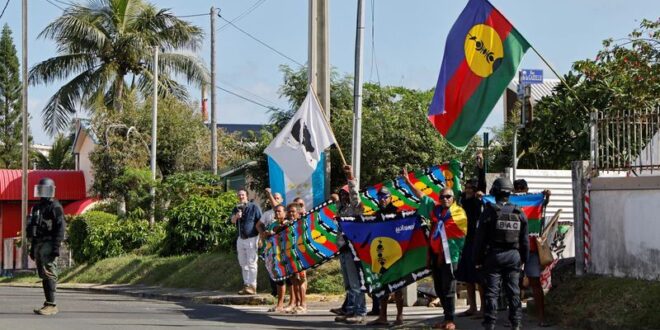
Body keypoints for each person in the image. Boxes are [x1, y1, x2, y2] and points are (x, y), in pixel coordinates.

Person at [402, 168, 462, 330]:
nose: (444, 199)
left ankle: (451, 320)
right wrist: (408, 183)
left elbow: (461, 235)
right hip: (435, 255)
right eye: (442, 196)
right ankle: (445, 317)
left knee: (449, 288)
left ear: (453, 198)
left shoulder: (458, 213)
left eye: (448, 196)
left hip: (451, 256)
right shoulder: (435, 210)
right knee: (439, 288)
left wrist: (455, 175)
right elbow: (421, 196)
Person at [474, 177, 529, 330]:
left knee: (491, 293)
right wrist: (524, 260)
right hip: (514, 257)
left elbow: (480, 239)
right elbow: (525, 241)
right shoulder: (519, 212)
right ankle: (516, 323)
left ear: (495, 193)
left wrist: (477, 260)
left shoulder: (489, 212)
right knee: (514, 292)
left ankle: (490, 324)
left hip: (494, 256)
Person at [330, 165, 367, 324]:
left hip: (354, 251)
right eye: (342, 194)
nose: (344, 197)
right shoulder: (343, 210)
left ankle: (360, 312)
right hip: (343, 250)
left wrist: (350, 177)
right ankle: (350, 310)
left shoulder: (355, 209)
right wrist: (335, 198)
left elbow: (354, 196)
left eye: (346, 194)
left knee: (356, 283)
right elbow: (337, 201)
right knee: (348, 285)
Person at [513, 179, 552, 327]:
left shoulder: (533, 202)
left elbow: (544, 204)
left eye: (522, 187)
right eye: (517, 188)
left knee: (535, 283)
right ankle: (515, 319)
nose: (520, 189)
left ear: (527, 188)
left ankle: (542, 317)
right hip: (514, 249)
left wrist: (546, 196)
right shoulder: (509, 202)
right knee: (513, 285)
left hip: (532, 249)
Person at [27, 177, 66, 316]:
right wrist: (32, 247)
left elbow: (61, 227)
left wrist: (56, 247)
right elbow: (33, 227)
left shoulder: (55, 206)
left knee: (49, 272)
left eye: (46, 190)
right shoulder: (37, 207)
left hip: (49, 243)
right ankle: (47, 303)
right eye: (41, 190)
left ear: (51, 190)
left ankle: (52, 305)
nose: (43, 193)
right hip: (38, 243)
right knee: (43, 273)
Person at [367, 186, 405, 327]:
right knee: (383, 286)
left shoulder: (397, 212)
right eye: (379, 197)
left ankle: (399, 316)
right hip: (381, 254)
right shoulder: (376, 214)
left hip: (395, 254)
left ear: (390, 198)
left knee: (398, 286)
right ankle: (382, 316)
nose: (382, 200)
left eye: (384, 197)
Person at [456, 179, 485, 318]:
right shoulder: (462, 200)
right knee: (468, 278)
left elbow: (482, 185)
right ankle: (472, 307)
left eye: (470, 188)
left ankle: (483, 308)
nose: (467, 190)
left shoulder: (478, 202)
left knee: (479, 278)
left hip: (477, 244)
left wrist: (480, 166)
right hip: (465, 243)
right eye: (466, 187)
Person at [230, 189, 262, 295]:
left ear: (247, 196)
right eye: (239, 195)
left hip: (252, 238)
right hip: (241, 238)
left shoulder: (254, 207)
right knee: (243, 263)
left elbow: (260, 222)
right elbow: (232, 221)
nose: (241, 196)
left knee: (252, 263)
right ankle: (246, 285)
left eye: (243, 195)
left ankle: (253, 286)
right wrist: (236, 216)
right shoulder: (236, 208)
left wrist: (261, 237)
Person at [257, 188, 284, 297]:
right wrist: (263, 235)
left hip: (282, 247)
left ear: (281, 200)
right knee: (271, 268)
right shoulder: (268, 213)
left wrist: (269, 194)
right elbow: (258, 225)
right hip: (270, 246)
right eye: (274, 197)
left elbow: (276, 207)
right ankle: (275, 293)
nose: (275, 199)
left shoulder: (283, 211)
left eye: (277, 198)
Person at [263, 204, 290, 313]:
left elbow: (281, 230)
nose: (277, 213)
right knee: (279, 280)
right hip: (275, 255)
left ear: (285, 213)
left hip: (287, 255)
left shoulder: (287, 223)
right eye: (276, 212)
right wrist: (266, 234)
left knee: (290, 280)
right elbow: (268, 235)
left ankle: (292, 303)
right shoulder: (272, 224)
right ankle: (279, 304)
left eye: (279, 211)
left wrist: (273, 232)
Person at [285, 202, 308, 314]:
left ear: (298, 213)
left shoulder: (302, 223)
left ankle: (303, 304)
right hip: (290, 255)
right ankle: (297, 303)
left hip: (301, 255)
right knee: (293, 280)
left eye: (293, 211)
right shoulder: (286, 224)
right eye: (289, 212)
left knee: (301, 279)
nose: (291, 214)